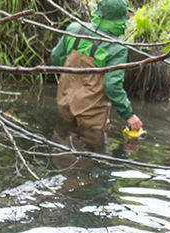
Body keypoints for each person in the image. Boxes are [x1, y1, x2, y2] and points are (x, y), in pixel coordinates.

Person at [49, 0, 143, 152]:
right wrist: (129, 115)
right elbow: (112, 86)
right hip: (91, 117)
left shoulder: (74, 29)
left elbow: (55, 58)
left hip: (64, 103)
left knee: (62, 151)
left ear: (98, 11)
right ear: (121, 17)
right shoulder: (117, 48)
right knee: (90, 159)